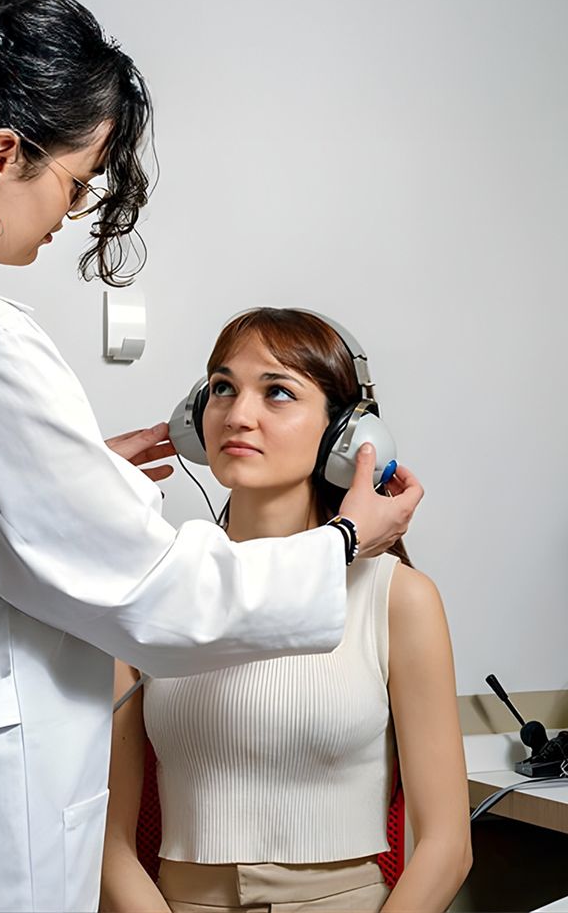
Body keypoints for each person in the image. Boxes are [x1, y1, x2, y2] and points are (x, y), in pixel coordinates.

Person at [0, 0, 425, 911]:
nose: (76, 209)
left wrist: (73, 477)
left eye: (280, 394)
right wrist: (343, 542)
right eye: (77, 178)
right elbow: (160, 599)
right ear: (2, 156)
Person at [100, 309, 470, 913]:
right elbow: (109, 842)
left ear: (344, 437)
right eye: (222, 388)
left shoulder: (398, 598)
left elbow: (447, 845)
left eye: (277, 392)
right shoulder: (154, 588)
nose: (238, 414)